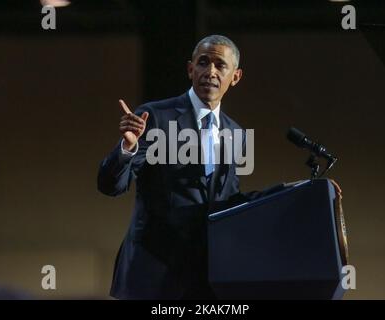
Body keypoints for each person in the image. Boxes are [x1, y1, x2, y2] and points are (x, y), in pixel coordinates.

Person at [97, 35, 341, 300]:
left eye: (220, 65)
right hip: (153, 275)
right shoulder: (154, 116)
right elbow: (111, 186)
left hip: (206, 279)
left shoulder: (234, 132)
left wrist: (292, 190)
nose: (210, 71)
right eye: (203, 63)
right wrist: (127, 148)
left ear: (235, 77)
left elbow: (229, 204)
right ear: (191, 69)